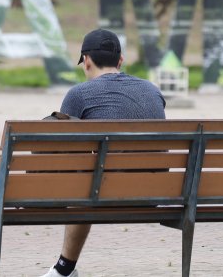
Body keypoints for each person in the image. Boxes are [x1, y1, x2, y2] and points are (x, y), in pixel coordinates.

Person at [40, 28, 166, 277]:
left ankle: (64, 269)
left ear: (86, 61)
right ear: (120, 61)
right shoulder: (153, 92)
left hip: (99, 193)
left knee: (84, 179)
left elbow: (62, 154)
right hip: (155, 191)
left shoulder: (78, 94)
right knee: (90, 177)